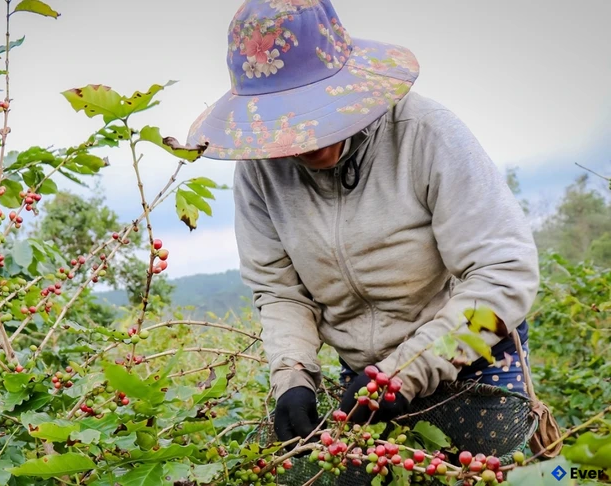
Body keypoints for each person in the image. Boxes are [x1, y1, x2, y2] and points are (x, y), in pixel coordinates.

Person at [186, 0, 539, 445]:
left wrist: (407, 371)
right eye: (284, 120)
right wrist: (292, 377)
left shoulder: (424, 134)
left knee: (484, 471)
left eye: (312, 110)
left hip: (470, 356)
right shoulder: (260, 172)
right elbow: (279, 290)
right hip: (364, 377)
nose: (303, 137)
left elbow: (504, 274)